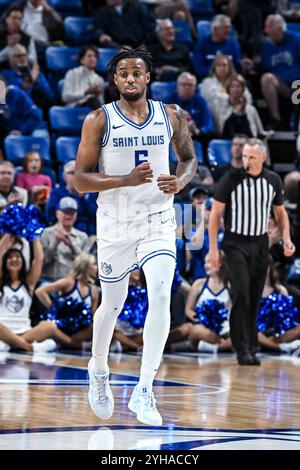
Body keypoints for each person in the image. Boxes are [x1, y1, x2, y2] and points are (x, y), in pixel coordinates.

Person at [74, 45, 197, 425]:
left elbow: (189, 159)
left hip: (158, 218)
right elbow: (80, 180)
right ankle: (98, 369)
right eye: (123, 73)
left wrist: (181, 181)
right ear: (115, 80)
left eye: (137, 72)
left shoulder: (171, 115)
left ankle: (145, 390)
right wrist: (125, 179)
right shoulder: (99, 119)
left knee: (161, 293)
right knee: (111, 304)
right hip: (115, 222)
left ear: (147, 77)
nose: (130, 78)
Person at [208, 138, 295, 365]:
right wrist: (214, 250)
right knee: (242, 292)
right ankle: (241, 347)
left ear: (263, 158)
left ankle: (251, 345)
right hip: (234, 243)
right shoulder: (231, 179)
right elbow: (215, 215)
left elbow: (281, 214)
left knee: (255, 296)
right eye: (245, 156)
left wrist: (286, 238)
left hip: (260, 243)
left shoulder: (273, 180)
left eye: (252, 157)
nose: (246, 161)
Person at [0, 235, 59, 353]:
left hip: (25, 331)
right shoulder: (1, 282)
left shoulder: (29, 283)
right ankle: (29, 347)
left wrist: (35, 235)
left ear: (23, 261)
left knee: (50, 326)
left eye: (18, 257)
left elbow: (39, 259)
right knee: (51, 344)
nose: (14, 259)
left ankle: (12, 345)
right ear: (5, 262)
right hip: (3, 329)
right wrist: (9, 231)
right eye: (10, 257)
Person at [35, 253, 99, 349]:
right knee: (48, 327)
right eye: (94, 264)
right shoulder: (69, 282)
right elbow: (40, 291)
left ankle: (62, 342)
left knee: (95, 328)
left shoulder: (93, 291)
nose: (97, 267)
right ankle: (76, 345)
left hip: (78, 331)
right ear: (85, 266)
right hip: (61, 326)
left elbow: (93, 317)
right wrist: (54, 309)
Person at [185, 252, 232, 353]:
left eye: (209, 262)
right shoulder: (199, 284)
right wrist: (202, 318)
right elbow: (188, 309)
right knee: (196, 330)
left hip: (225, 328)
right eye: (205, 262)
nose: (205, 265)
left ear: (220, 264)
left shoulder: (230, 286)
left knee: (240, 333)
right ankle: (223, 345)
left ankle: (215, 347)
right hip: (204, 327)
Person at [260, 14, 300, 129]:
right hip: (281, 85)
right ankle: (275, 119)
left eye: (268, 27)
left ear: (279, 29)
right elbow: (265, 67)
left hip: (297, 84)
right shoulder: (267, 45)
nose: (265, 31)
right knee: (266, 79)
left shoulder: (297, 40)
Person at [41, 197, 90, 282]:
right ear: (57, 213)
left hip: (73, 282)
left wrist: (72, 245)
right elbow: (42, 262)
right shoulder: (45, 233)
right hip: (49, 281)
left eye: (72, 213)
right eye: (65, 212)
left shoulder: (83, 236)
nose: (68, 216)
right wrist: (55, 243)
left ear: (76, 215)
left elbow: (86, 264)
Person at [46, 160, 97, 236]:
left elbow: (96, 215)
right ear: (65, 176)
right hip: (64, 233)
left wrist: (82, 197)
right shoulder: (57, 193)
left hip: (91, 234)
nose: (77, 176)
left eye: (80, 172)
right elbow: (51, 215)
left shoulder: (93, 192)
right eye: (73, 173)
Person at [1, 44, 54, 110]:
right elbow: (14, 99)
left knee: (38, 90)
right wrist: (30, 82)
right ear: (11, 59)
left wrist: (37, 81)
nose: (22, 58)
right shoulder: (5, 75)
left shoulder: (37, 74)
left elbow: (51, 97)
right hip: (19, 112)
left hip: (40, 110)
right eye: (18, 56)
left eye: (24, 55)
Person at [165, 72, 215, 142]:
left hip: (195, 139)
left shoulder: (201, 101)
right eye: (184, 84)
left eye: (190, 85)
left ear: (195, 88)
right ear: (178, 87)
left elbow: (209, 126)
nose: (187, 87)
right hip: (173, 139)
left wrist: (198, 131)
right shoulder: (168, 101)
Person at [62, 45, 104, 110]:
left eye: (95, 56)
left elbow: (101, 103)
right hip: (74, 108)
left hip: (93, 109)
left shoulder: (99, 79)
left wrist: (98, 94)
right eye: (89, 56)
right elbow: (65, 97)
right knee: (92, 101)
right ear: (82, 60)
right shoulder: (72, 73)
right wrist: (85, 92)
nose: (92, 59)